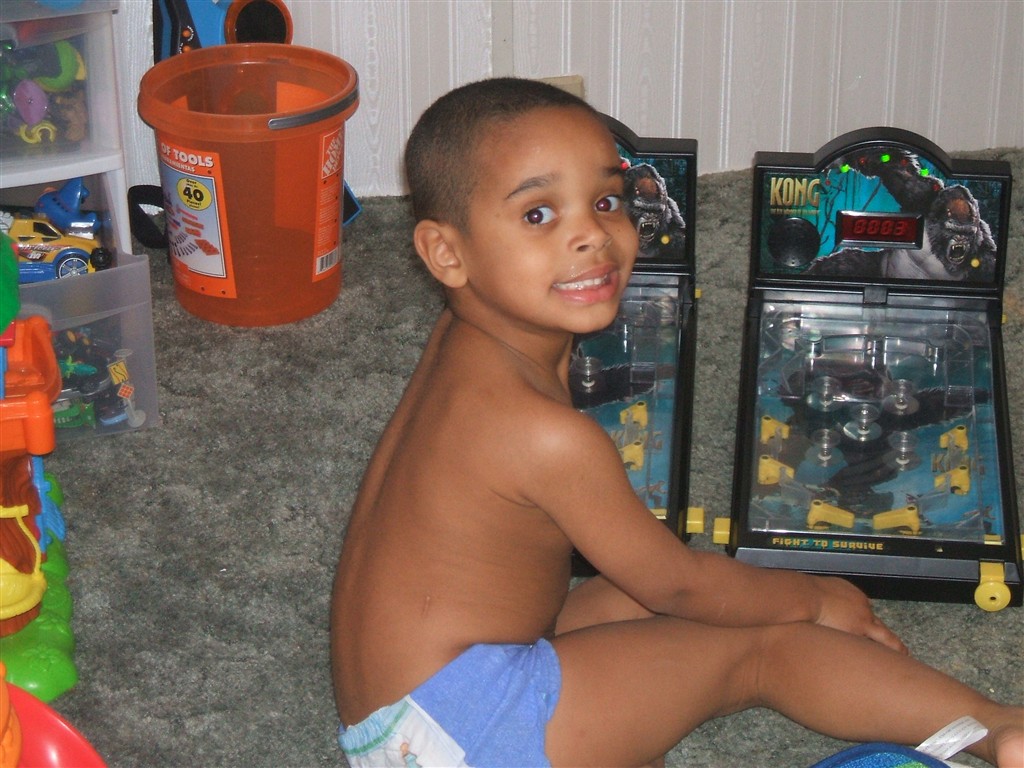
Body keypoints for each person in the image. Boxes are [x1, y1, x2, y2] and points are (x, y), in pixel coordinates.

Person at [329, 77, 1023, 768]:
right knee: (759, 647)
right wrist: (812, 598)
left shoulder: (462, 343)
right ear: (446, 253)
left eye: (606, 201)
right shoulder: (543, 435)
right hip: (480, 728)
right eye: (539, 214)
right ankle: (998, 730)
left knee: (642, 600)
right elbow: (676, 583)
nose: (591, 235)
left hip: (396, 717)